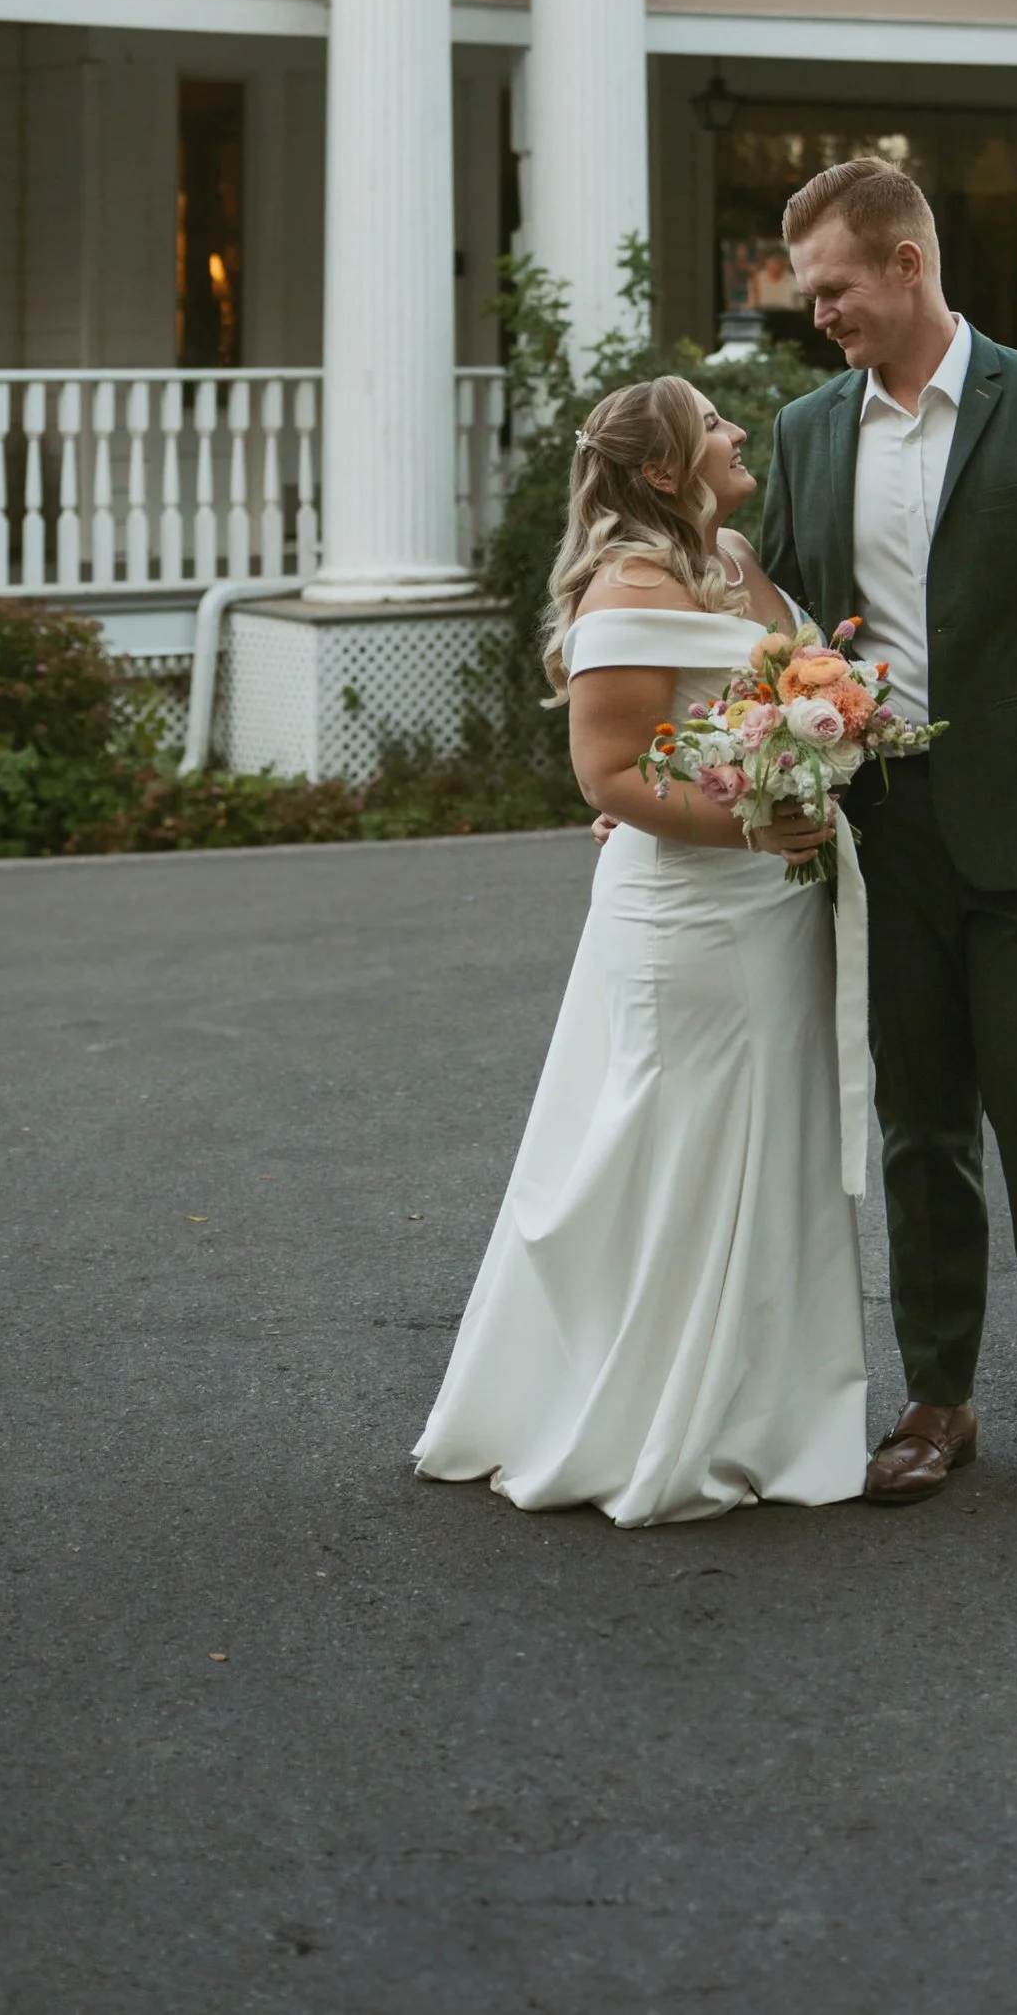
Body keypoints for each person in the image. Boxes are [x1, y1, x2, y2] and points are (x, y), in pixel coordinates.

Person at [757, 158, 1017, 1521]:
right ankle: (939, 1398)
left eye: (835, 289)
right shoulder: (810, 430)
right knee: (919, 1125)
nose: (819, 314)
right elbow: (776, 634)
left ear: (908, 264)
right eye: (811, 294)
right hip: (875, 832)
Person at [413, 376, 868, 1526]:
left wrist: (820, 750)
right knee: (670, 1151)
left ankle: (752, 1410)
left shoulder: (735, 557)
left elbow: (763, 694)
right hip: (691, 914)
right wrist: (754, 821)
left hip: (773, 908)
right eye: (709, 424)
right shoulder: (629, 582)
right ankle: (640, 1422)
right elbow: (609, 774)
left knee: (761, 1153)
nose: (731, 430)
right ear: (663, 470)